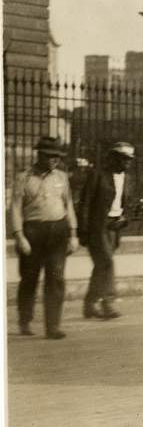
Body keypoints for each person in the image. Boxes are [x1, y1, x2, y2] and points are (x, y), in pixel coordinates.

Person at [8, 137, 80, 339]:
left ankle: (53, 326)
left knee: (56, 278)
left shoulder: (60, 177)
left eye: (58, 157)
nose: (55, 160)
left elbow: (69, 206)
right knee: (29, 278)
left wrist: (73, 233)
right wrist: (19, 236)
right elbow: (14, 209)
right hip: (33, 232)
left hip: (58, 232)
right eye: (51, 156)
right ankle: (25, 320)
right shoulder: (24, 178)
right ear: (39, 155)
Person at [78, 141, 135, 319]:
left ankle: (89, 303)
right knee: (107, 263)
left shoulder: (129, 179)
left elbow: (129, 204)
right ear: (113, 158)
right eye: (123, 158)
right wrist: (84, 230)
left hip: (115, 226)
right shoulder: (98, 175)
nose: (126, 162)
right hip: (98, 226)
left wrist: (124, 219)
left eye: (129, 159)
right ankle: (108, 303)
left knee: (101, 266)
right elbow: (85, 203)